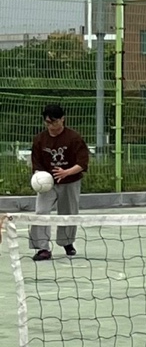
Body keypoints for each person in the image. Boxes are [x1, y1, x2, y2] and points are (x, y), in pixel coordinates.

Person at [30, 105, 89, 262]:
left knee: (68, 213)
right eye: (48, 122)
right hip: (47, 183)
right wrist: (40, 178)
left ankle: (67, 242)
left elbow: (82, 163)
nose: (51, 126)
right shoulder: (39, 139)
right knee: (41, 212)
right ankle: (42, 248)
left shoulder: (74, 138)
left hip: (70, 181)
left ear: (62, 119)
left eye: (54, 122)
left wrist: (66, 172)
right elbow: (36, 164)